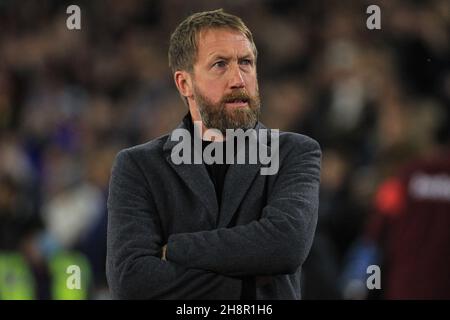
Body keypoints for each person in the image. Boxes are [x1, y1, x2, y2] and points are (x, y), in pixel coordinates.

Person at [106, 9, 321, 300]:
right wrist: (246, 287)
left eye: (246, 63)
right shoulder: (138, 166)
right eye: (220, 64)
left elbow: (286, 245)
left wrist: (175, 250)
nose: (238, 79)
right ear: (185, 83)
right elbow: (130, 281)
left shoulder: (294, 153)